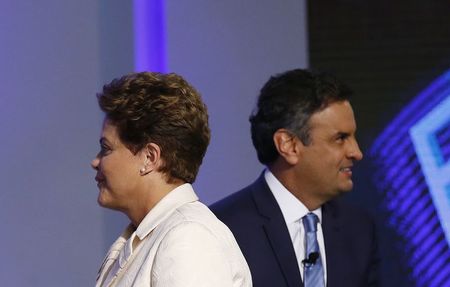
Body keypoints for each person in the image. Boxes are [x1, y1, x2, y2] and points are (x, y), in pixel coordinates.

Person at [211, 69, 379, 287]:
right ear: (289, 145)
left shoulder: (358, 229)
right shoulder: (222, 229)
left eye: (353, 137)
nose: (356, 152)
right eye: (340, 138)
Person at [91, 72, 252, 287]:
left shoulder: (190, 237)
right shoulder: (150, 235)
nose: (95, 161)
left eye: (106, 148)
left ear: (149, 158)